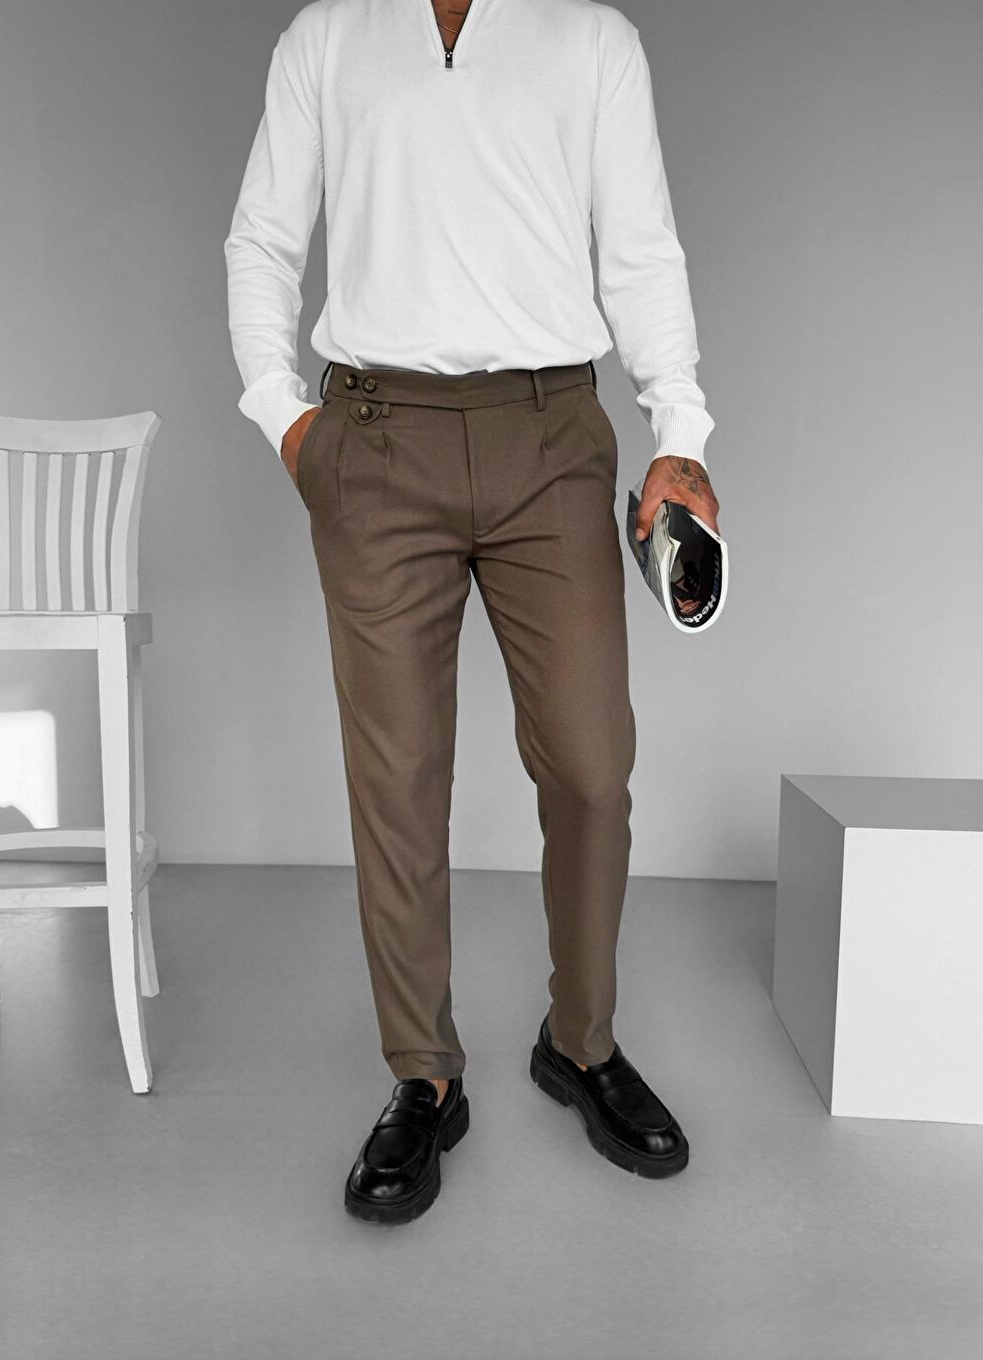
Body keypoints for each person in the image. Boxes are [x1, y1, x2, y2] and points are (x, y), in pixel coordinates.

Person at [224, 0, 721, 1226]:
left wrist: (681, 430)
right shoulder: (327, 36)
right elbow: (264, 237)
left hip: (551, 431)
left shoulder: (591, 38)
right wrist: (286, 421)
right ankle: (423, 1074)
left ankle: (581, 1041)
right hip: (375, 436)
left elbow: (641, 248)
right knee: (396, 778)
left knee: (592, 764)